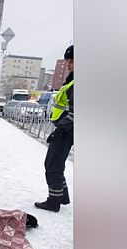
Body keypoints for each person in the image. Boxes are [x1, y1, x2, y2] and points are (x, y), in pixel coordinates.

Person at [35, 45, 74, 212]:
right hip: (64, 129)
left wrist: (59, 130)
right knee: (55, 164)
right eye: (68, 61)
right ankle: (62, 197)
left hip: (66, 130)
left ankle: (54, 202)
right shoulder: (71, 81)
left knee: (52, 167)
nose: (69, 64)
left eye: (73, 61)